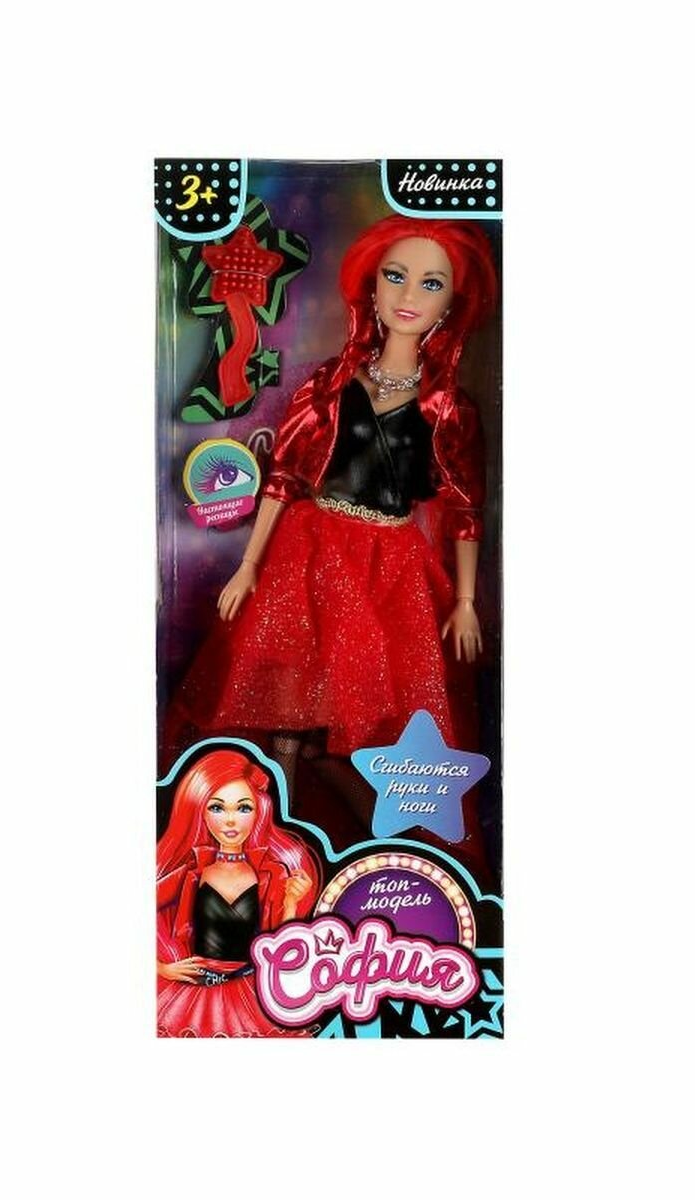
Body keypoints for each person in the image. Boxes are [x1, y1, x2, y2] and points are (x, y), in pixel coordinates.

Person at [169, 215, 498, 795]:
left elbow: (466, 507)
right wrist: (249, 564)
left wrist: (466, 600)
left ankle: (361, 819)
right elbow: (285, 475)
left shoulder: (448, 406)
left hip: (391, 563)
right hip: (312, 546)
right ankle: (282, 808)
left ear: (452, 303)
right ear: (371, 286)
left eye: (431, 283)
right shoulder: (333, 383)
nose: (408, 295)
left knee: (364, 708)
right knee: (290, 700)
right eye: (395, 276)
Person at [156, 748, 319, 1037]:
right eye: (217, 808)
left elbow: (282, 946)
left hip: (248, 986)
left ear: (259, 812)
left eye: (244, 808)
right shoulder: (192, 872)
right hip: (195, 988)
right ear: (199, 809)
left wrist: (291, 903)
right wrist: (161, 968)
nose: (230, 820)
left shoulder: (270, 874)